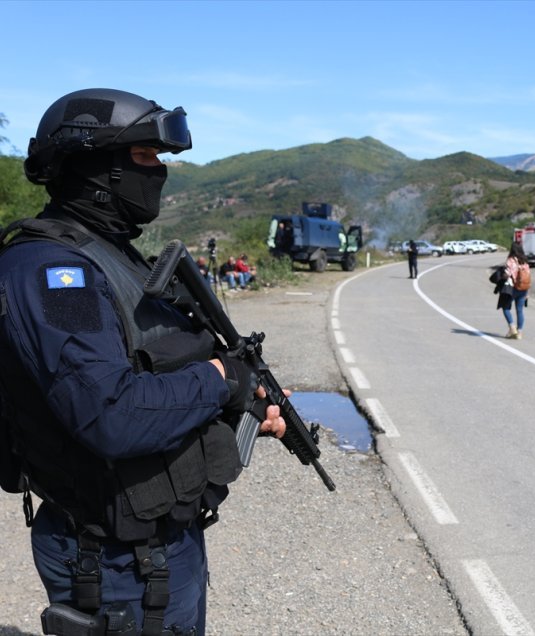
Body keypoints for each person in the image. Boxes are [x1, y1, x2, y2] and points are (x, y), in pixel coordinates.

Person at [0, 88, 286, 634]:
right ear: (96, 167)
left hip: (154, 544)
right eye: (146, 156)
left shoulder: (112, 256)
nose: (159, 171)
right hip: (114, 560)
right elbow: (112, 413)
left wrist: (242, 398)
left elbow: (161, 369)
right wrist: (222, 378)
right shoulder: (56, 272)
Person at [502, 241, 531, 339]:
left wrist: (502, 275)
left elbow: (507, 274)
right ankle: (519, 333)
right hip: (523, 288)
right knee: (520, 310)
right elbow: (528, 275)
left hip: (513, 288)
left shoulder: (511, 260)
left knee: (505, 307)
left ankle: (512, 327)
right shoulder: (524, 260)